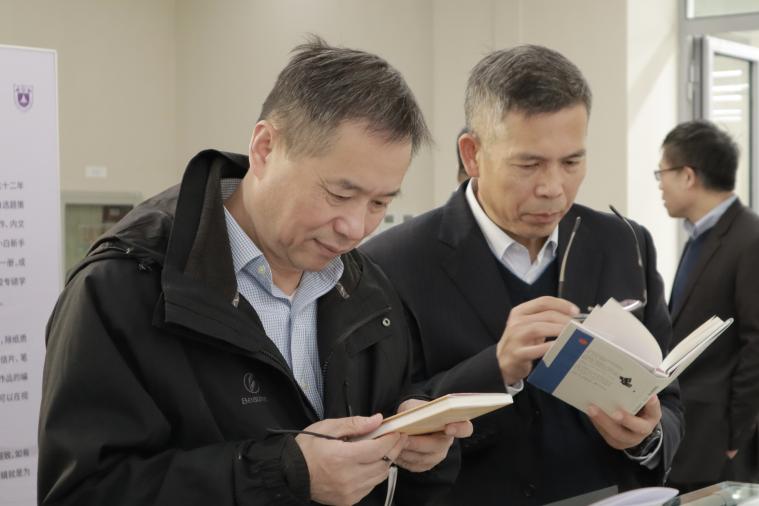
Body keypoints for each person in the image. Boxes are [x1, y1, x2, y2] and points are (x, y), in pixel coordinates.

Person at [38, 37, 471, 506]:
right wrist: (281, 474)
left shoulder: (366, 287)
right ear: (265, 148)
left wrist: (416, 444)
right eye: (339, 194)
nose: (355, 227)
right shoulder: (124, 286)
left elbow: (386, 418)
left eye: (380, 203)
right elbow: (84, 492)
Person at [362, 44, 684, 505]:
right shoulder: (393, 262)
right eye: (529, 164)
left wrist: (646, 435)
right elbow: (385, 419)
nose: (553, 188)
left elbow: (669, 400)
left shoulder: (624, 243)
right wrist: (496, 369)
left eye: (571, 162)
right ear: (472, 154)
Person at [657, 120, 759, 492]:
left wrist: (736, 435)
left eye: (662, 173)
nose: (659, 185)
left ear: (688, 176)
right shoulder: (700, 235)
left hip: (719, 445)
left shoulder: (749, 237)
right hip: (690, 436)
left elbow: (756, 343)